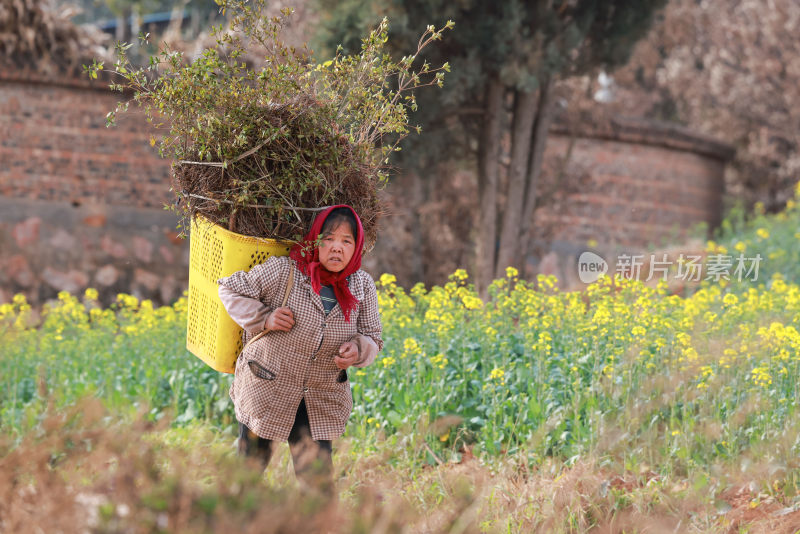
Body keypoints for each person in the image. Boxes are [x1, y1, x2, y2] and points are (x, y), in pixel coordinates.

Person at [216, 205, 382, 495]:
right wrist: (264, 317)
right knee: (249, 472)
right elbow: (229, 289)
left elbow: (372, 337)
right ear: (314, 240)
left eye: (346, 241)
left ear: (356, 248)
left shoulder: (362, 286)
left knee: (317, 486)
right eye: (328, 239)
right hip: (268, 386)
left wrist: (357, 349)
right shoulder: (284, 272)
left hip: (319, 396)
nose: (336, 249)